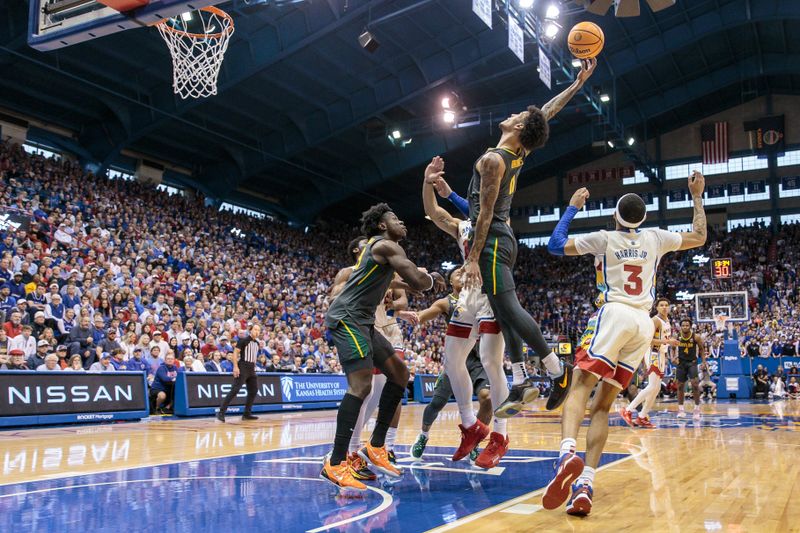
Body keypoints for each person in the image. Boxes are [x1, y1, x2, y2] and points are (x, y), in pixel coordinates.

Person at [541, 169, 707, 517]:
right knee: (602, 406)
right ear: (642, 218)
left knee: (579, 390)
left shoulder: (605, 238)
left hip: (614, 314)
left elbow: (555, 245)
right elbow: (699, 236)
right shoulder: (656, 238)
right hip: (642, 326)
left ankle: (566, 454)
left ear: (615, 217)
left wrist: (572, 208)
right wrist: (696, 196)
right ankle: (586, 483)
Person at [462, 61, 598, 418]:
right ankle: (522, 379)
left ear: (519, 127)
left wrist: (473, 257)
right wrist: (577, 84)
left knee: (509, 309)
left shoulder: (494, 160)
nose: (511, 113)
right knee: (505, 314)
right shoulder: (518, 150)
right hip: (502, 240)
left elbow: (486, 213)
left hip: (491, 240)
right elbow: (546, 114)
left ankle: (556, 369)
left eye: (517, 114)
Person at [321, 203, 445, 490]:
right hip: (347, 318)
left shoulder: (383, 256)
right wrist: (429, 280)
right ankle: (336, 461)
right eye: (394, 217)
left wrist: (430, 280)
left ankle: (376, 445)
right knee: (361, 386)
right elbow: (417, 281)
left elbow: (407, 285)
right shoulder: (387, 246)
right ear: (381, 225)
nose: (401, 221)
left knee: (400, 375)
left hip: (364, 322)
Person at [419, 160, 511, 464]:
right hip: (469, 295)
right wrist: (428, 182)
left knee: (490, 360)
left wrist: (452, 194)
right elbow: (434, 214)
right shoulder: (462, 227)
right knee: (452, 358)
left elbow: (482, 207)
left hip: (493, 289)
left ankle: (500, 434)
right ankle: (471, 425)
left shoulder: (500, 221)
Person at [401, 270, 495, 466]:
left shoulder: (481, 298)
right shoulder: (446, 302)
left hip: (479, 359)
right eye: (457, 272)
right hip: (457, 359)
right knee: (436, 404)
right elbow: (423, 315)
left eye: (465, 271)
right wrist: (405, 314)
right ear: (451, 281)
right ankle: (423, 435)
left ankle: (473, 441)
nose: (463, 273)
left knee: (488, 398)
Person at [620, 298, 679, 428]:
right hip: (653, 353)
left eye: (666, 305)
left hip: (661, 354)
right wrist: (668, 342)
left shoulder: (667, 320)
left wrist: (668, 348)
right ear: (656, 308)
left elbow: (664, 340)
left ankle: (642, 416)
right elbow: (648, 340)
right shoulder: (655, 320)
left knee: (656, 388)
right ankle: (628, 410)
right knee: (652, 386)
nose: (664, 307)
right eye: (661, 305)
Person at [216, 323, 262, 422]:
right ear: (251, 330)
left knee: (253, 390)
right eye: (255, 329)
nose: (257, 332)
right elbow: (235, 353)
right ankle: (221, 412)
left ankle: (246, 414)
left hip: (251, 368)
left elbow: (253, 357)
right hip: (243, 366)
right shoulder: (243, 341)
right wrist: (235, 367)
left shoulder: (257, 343)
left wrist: (254, 368)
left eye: (258, 330)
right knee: (235, 390)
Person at [674, 318, 706, 419]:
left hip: (692, 362)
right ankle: (681, 410)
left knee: (695, 384)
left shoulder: (696, 337)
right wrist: (672, 357)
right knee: (679, 386)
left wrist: (704, 362)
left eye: (687, 325)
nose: (685, 327)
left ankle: (696, 409)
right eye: (683, 325)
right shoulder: (677, 336)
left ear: (690, 326)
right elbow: (672, 348)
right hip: (681, 363)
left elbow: (701, 349)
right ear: (680, 326)